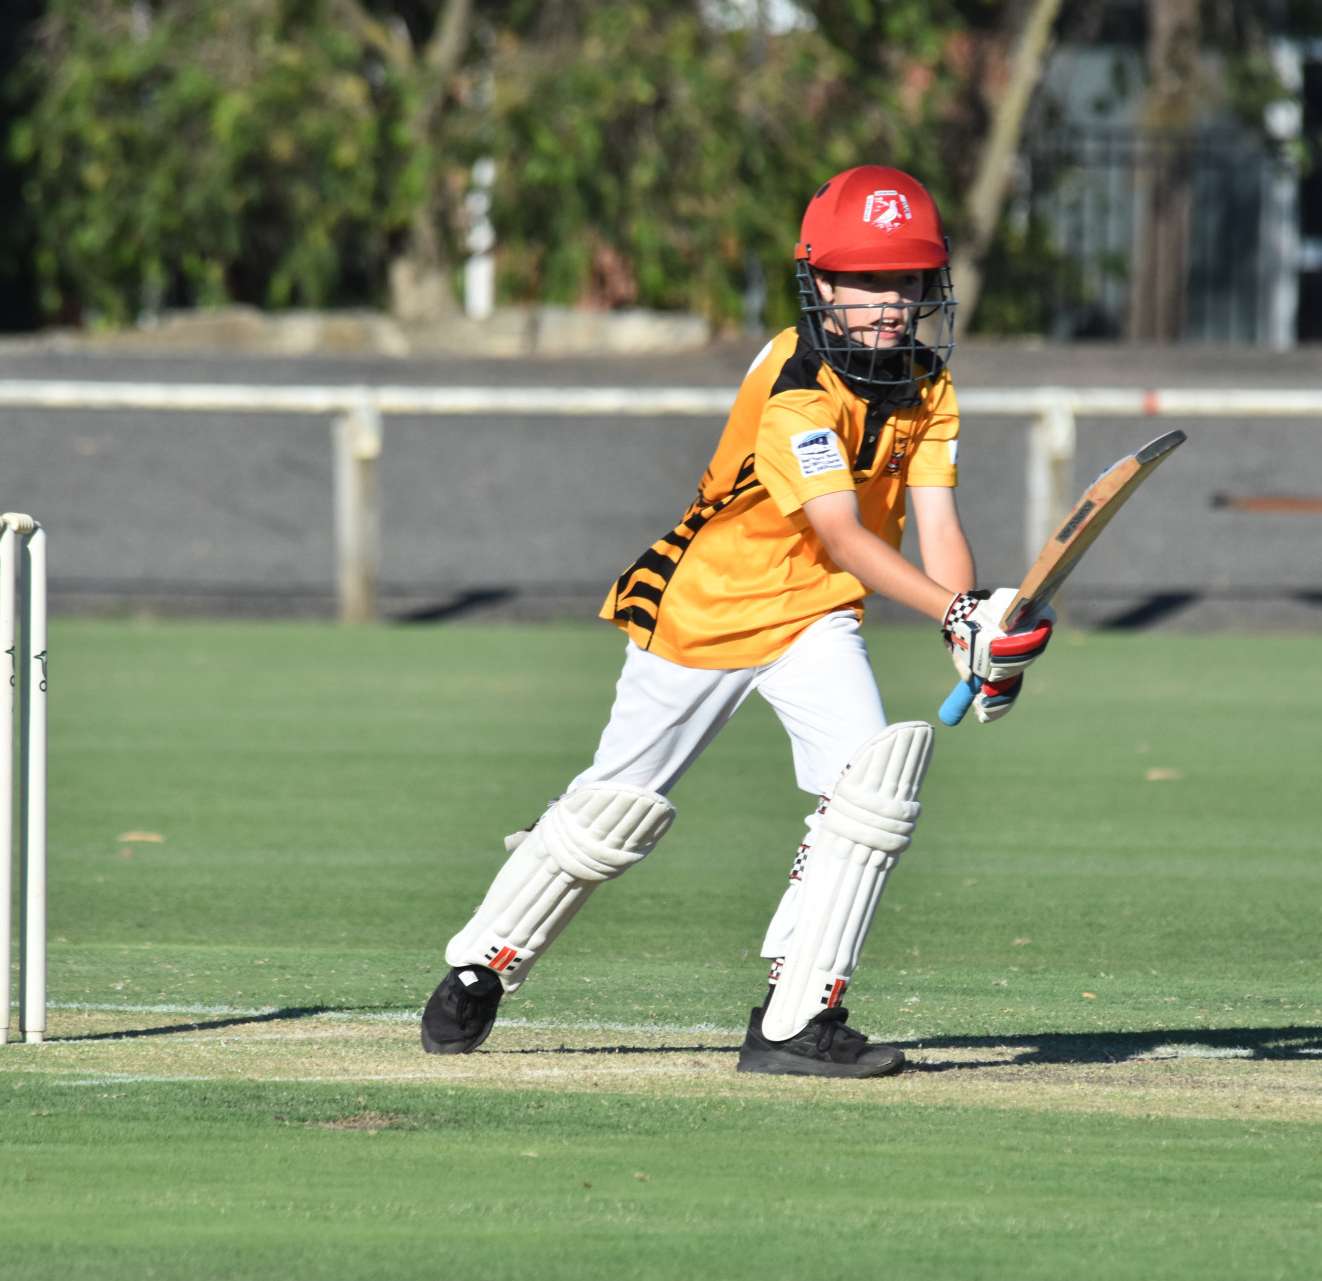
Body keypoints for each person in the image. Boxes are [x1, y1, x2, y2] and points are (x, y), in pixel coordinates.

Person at [419, 166, 1053, 1077]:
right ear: (821, 283)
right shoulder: (795, 384)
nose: (888, 304)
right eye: (866, 281)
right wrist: (956, 610)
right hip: (708, 608)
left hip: (815, 614)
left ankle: (797, 1018)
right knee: (611, 816)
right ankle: (483, 961)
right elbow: (839, 528)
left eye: (905, 283)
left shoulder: (927, 385)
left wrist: (972, 636)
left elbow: (936, 526)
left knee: (872, 788)